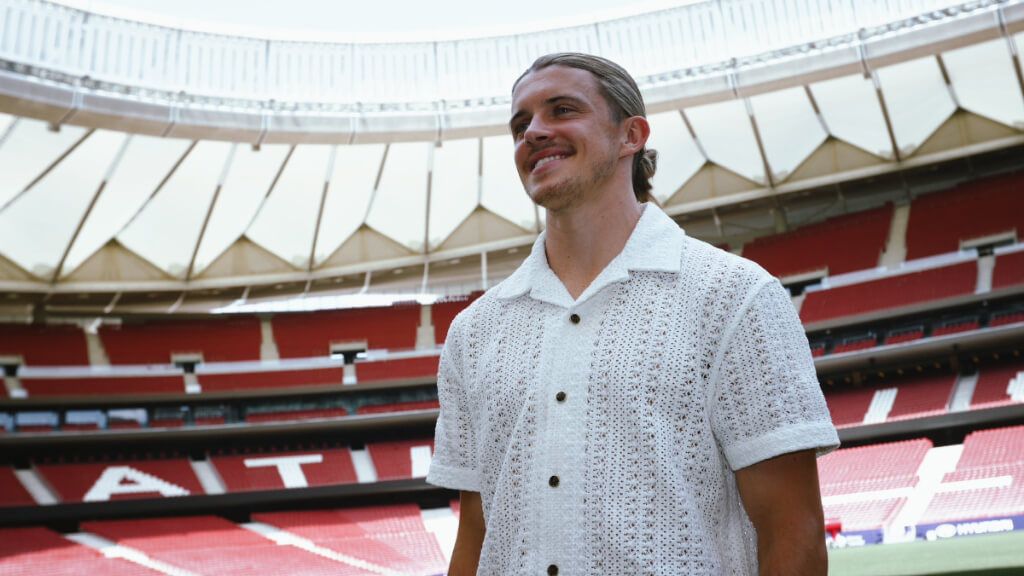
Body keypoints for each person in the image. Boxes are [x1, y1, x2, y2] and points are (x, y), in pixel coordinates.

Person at [427, 52, 839, 575]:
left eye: (561, 110)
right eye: (520, 123)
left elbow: (791, 529)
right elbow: (477, 533)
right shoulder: (474, 332)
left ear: (631, 136)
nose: (533, 131)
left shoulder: (735, 295)